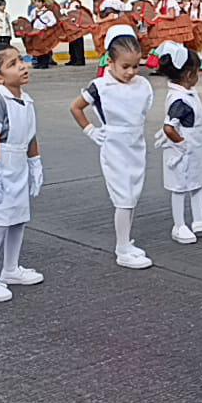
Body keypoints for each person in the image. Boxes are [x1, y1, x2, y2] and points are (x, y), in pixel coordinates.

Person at [70, 25, 154, 270]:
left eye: (135, 66)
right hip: (114, 145)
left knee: (132, 195)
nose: (131, 72)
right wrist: (91, 130)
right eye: (125, 66)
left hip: (136, 145)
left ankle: (127, 240)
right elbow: (76, 107)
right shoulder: (100, 87)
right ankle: (122, 247)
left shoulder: (142, 86)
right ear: (111, 61)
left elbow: (142, 111)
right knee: (123, 197)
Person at [0, 43, 44, 303]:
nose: (22, 66)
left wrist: (35, 162)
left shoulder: (26, 99)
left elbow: (31, 134)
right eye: (13, 64)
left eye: (21, 60)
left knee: (17, 218)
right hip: (0, 162)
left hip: (19, 164)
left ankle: (11, 268)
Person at [153, 41, 202, 245]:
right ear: (188, 75)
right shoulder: (180, 99)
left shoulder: (186, 94)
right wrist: (182, 143)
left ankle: (199, 218)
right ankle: (179, 225)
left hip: (196, 149)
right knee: (180, 187)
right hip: (183, 151)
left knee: (196, 182)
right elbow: (169, 127)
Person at [28, 0, 59, 69]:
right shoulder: (33, 11)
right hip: (35, 32)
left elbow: (53, 21)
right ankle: (38, 62)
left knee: (44, 48)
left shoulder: (48, 12)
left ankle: (44, 63)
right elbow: (31, 19)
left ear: (43, 3)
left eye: (39, 2)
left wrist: (47, 25)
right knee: (37, 47)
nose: (37, 3)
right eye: (36, 2)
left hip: (44, 32)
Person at [63, 0, 88, 66]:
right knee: (73, 43)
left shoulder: (75, 4)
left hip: (76, 25)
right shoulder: (70, 3)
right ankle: (73, 58)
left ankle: (79, 59)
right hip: (72, 25)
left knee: (77, 43)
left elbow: (73, 13)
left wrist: (64, 11)